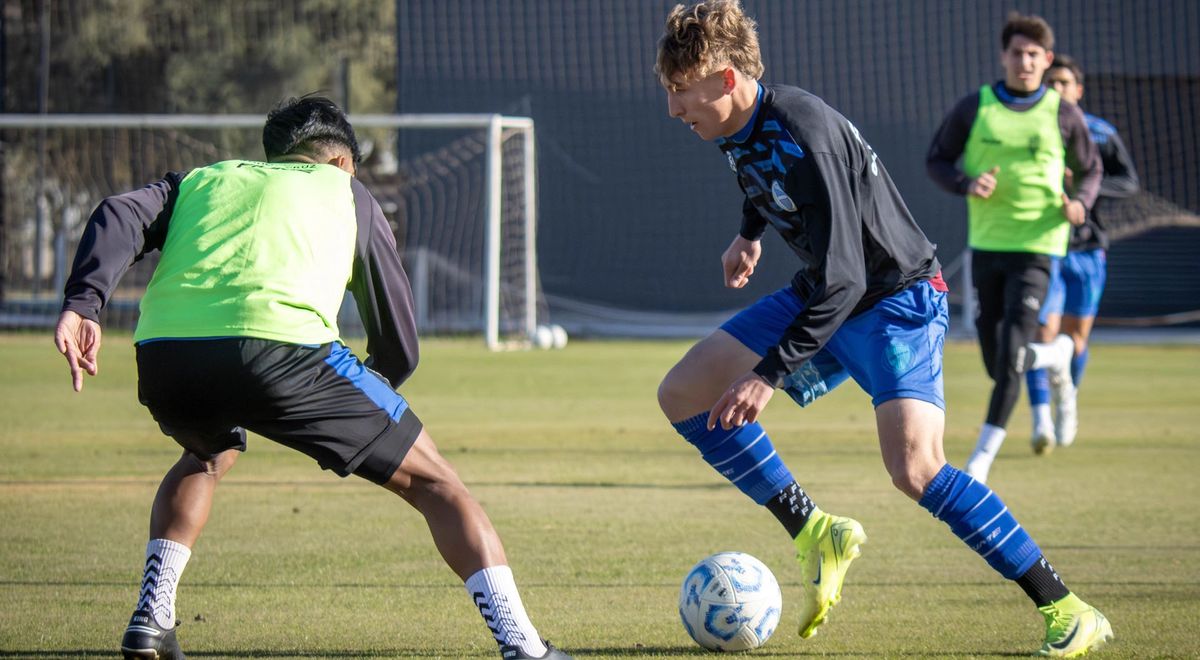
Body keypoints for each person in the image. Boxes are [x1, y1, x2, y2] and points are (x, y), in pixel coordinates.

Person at [655, 1, 1111, 656]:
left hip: (895, 299)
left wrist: (767, 375)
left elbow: (846, 273)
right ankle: (816, 533)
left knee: (917, 470)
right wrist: (748, 235)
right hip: (830, 289)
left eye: (679, 92)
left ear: (726, 79)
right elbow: (762, 180)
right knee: (683, 393)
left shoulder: (803, 129)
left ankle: (1067, 609)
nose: (673, 108)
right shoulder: (734, 125)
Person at [53, 96, 571, 660]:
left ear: (273, 157)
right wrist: (368, 401)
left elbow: (119, 212)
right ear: (345, 161)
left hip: (165, 355)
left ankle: (151, 617)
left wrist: (84, 304)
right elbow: (397, 337)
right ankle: (524, 648)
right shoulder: (347, 194)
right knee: (437, 482)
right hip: (286, 353)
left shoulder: (202, 180)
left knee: (207, 455)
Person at [927, 12, 1103, 479]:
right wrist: (966, 182)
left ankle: (980, 461)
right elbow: (937, 160)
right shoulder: (974, 107)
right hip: (987, 244)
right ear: (1003, 56)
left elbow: (1093, 171)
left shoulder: (1064, 113)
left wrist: (1080, 202)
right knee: (996, 359)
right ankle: (1057, 355)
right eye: (1017, 53)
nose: (1024, 62)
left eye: (1033, 54)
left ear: (1045, 60)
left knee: (1009, 352)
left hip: (1040, 245)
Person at [1026, 54, 1140, 450]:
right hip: (1043, 246)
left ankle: (1065, 398)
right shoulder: (1030, 127)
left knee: (1076, 339)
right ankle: (1039, 418)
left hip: (1089, 248)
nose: (1057, 89)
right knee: (1041, 332)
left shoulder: (1100, 133)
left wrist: (1087, 189)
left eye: (1064, 83)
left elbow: (1128, 182)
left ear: (1078, 90)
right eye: (1050, 82)